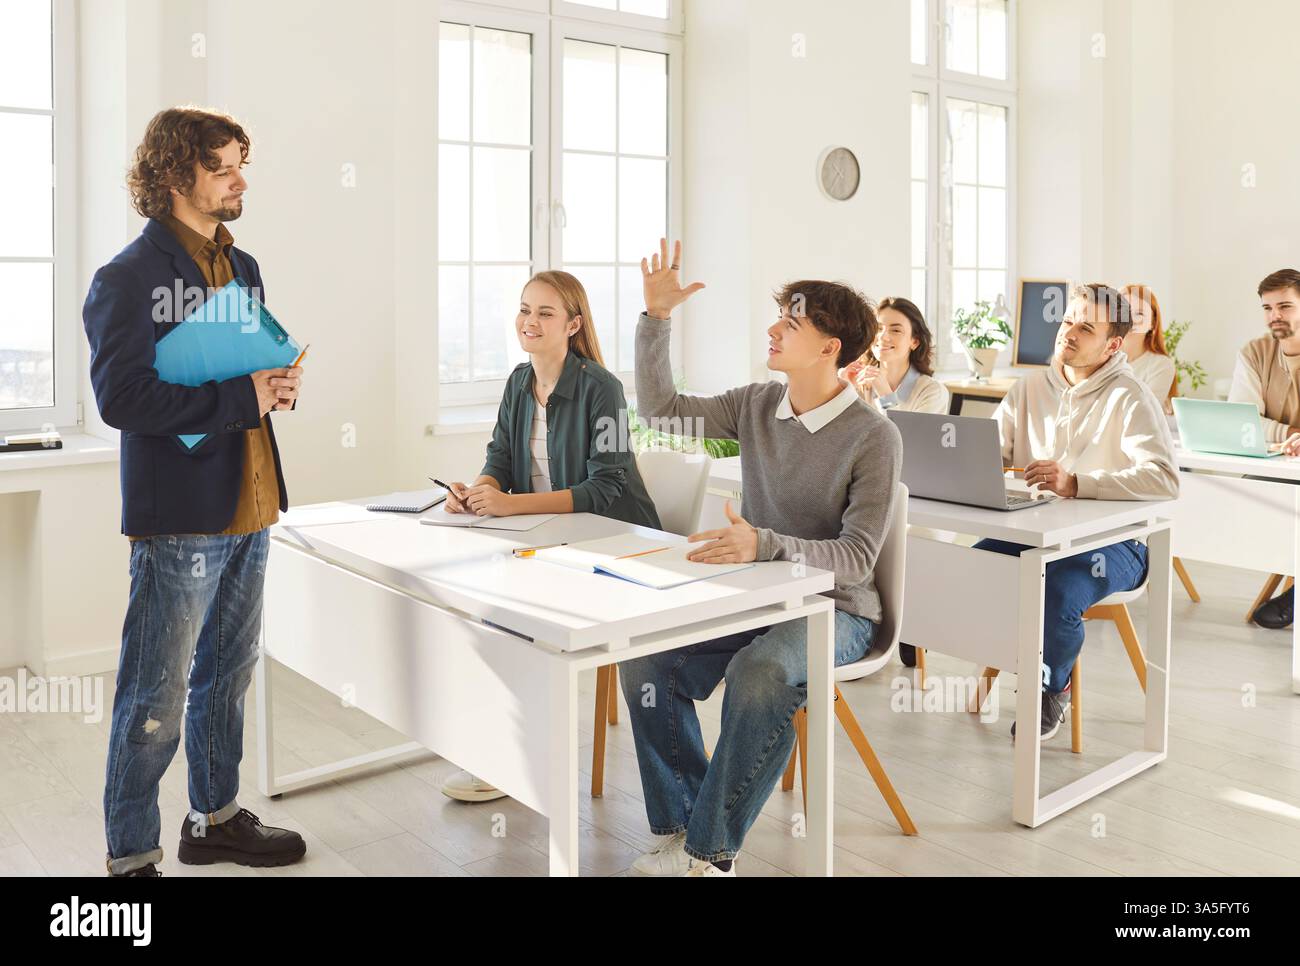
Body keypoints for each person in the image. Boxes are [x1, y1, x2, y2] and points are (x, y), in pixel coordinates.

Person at [617, 239, 901, 876]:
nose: (773, 329)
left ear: (831, 348)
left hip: (838, 611)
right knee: (645, 664)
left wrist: (765, 544)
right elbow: (662, 411)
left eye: (791, 323)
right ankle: (682, 823)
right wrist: (656, 319)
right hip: (757, 596)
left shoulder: (873, 437)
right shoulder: (754, 405)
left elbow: (857, 559)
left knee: (761, 674)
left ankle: (710, 853)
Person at [83, 108, 306, 876]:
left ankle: (212, 821)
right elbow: (124, 400)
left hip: (251, 503)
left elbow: (244, 374)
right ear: (177, 177)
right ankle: (131, 858)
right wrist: (241, 396)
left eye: (243, 162)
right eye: (224, 167)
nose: (241, 180)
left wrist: (277, 383)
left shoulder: (242, 268)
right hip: (180, 519)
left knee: (228, 678)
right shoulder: (126, 278)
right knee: (155, 696)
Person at [438, 270, 661, 803]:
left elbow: (604, 488)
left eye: (545, 313)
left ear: (573, 325)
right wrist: (480, 489)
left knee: (515, 625)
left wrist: (511, 503)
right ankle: (503, 756)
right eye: (524, 309)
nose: (529, 322)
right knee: (484, 616)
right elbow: (498, 455)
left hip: (615, 548)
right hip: (548, 539)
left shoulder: (601, 388)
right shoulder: (519, 381)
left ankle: (513, 762)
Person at [980, 283, 1178, 739]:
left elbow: (1164, 479)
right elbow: (992, 452)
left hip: (1117, 544)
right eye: (1067, 320)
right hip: (1034, 532)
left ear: (1112, 344)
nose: (1068, 332)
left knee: (1056, 593)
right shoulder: (1030, 386)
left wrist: (1077, 483)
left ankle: (1053, 686)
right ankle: (1006, 658)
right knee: (971, 568)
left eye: (1085, 327)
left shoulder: (1130, 396)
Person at [1230, 268, 1300, 629]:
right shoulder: (1254, 352)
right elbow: (1242, 420)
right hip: (1275, 469)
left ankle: (1295, 596)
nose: (1275, 315)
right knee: (1236, 495)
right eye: (1267, 307)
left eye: (1285, 306)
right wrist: (1288, 432)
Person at [842, 296, 950, 414]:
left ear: (914, 342)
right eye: (878, 329)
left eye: (896, 330)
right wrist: (842, 390)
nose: (883, 337)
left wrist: (885, 396)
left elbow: (907, 433)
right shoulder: (861, 383)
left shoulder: (932, 392)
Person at [1118, 284, 1177, 412]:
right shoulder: (1100, 359)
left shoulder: (1161, 365)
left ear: (1152, 323)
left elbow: (1143, 412)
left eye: (1139, 314)